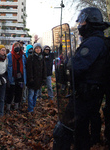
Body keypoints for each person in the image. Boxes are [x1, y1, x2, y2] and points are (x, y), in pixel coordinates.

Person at [53, 7, 110, 150]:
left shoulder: (94, 42)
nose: (80, 25)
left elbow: (76, 66)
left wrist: (64, 66)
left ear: (91, 22)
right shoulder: (96, 40)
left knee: (63, 130)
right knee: (81, 132)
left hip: (85, 96)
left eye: (82, 22)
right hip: (90, 94)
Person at [6, 42, 26, 113]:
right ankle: (8, 108)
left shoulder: (22, 56)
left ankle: (16, 107)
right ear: (13, 47)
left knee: (19, 93)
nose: (17, 47)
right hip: (12, 77)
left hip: (20, 77)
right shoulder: (9, 56)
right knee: (10, 93)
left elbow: (24, 67)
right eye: (16, 46)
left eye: (18, 46)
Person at [26, 43, 46, 113]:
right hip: (32, 79)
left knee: (36, 95)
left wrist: (44, 78)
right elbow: (29, 69)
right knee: (31, 95)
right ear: (34, 49)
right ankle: (30, 109)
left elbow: (44, 69)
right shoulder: (31, 57)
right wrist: (30, 78)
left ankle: (33, 107)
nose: (38, 49)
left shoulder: (41, 57)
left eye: (39, 48)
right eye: (37, 48)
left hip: (39, 79)